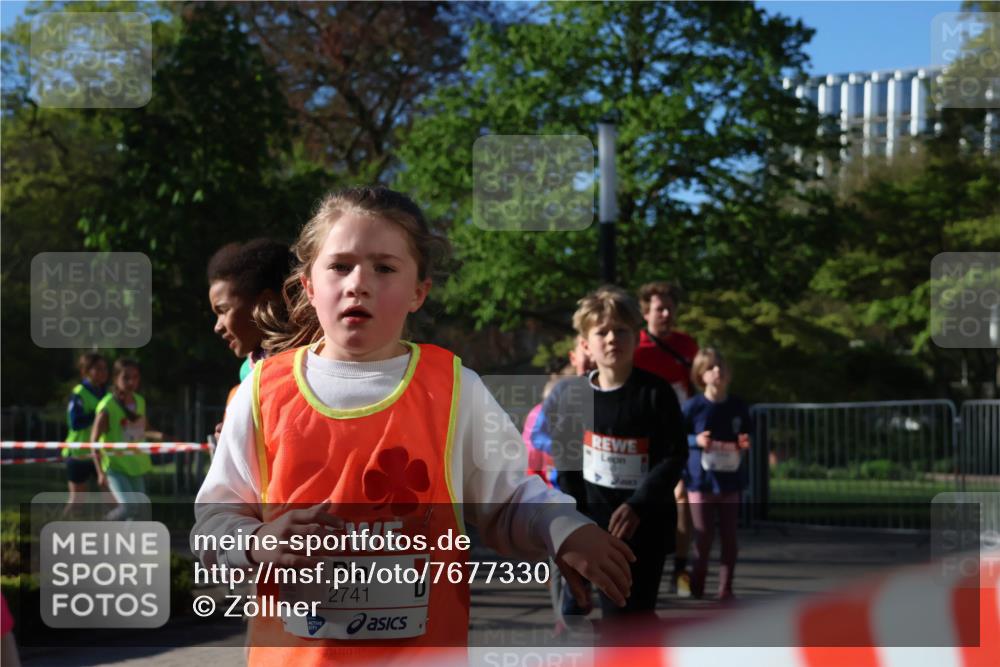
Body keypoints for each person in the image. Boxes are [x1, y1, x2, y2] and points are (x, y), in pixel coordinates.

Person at [192, 186, 636, 665]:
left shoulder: (454, 388)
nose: (358, 283)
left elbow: (509, 499)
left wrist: (563, 529)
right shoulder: (263, 393)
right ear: (308, 286)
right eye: (340, 266)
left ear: (418, 292)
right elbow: (212, 524)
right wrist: (255, 543)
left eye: (384, 268)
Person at [538, 286, 688, 624]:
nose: (611, 339)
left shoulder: (655, 393)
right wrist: (577, 520)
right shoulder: (573, 397)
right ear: (586, 343)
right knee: (614, 618)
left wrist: (638, 504)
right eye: (601, 332)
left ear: (636, 337)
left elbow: (675, 455)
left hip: (644, 527)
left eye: (621, 330)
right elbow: (568, 463)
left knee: (636, 614)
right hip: (596, 527)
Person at [633, 281, 699, 597]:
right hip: (644, 438)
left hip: (678, 435)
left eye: (670, 307)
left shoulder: (688, 345)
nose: (666, 313)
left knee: (681, 496)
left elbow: (695, 388)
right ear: (646, 313)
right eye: (659, 308)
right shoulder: (635, 347)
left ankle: (681, 569)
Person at [682, 347, 751, 601]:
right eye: (711, 368)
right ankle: (697, 585)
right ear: (701, 375)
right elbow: (676, 438)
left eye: (721, 367)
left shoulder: (738, 406)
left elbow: (746, 434)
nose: (717, 372)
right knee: (703, 536)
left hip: (730, 481)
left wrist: (745, 442)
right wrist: (695, 440)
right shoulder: (693, 407)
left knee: (730, 536)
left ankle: (726, 588)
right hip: (701, 482)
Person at [91, 358, 152, 520]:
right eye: (126, 377)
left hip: (136, 465)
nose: (131, 381)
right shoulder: (107, 405)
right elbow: (94, 440)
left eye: (135, 377)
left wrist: (169, 439)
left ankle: (127, 543)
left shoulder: (140, 401)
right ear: (116, 378)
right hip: (115, 466)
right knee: (129, 507)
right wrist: (100, 472)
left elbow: (145, 431)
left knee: (142, 512)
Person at [63, 352, 108, 516]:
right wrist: (99, 415)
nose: (103, 372)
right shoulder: (79, 393)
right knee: (77, 502)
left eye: (105, 368)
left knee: (111, 499)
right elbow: (75, 423)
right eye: (98, 368)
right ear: (86, 371)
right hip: (79, 453)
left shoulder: (106, 393)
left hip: (100, 454)